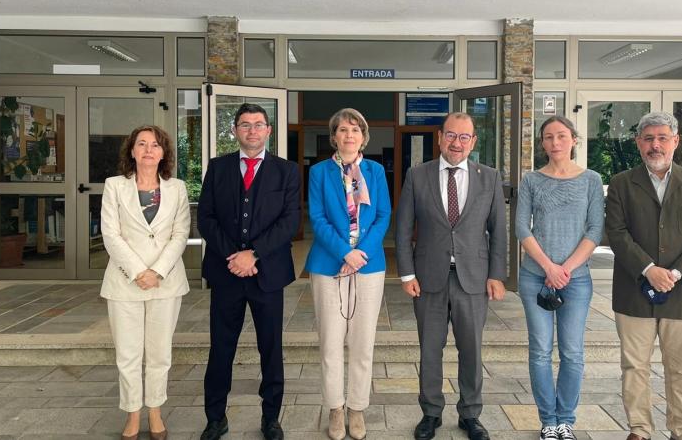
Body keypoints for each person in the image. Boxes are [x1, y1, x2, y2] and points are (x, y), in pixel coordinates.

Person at [605, 111, 682, 440]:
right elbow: (616, 232)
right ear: (639, 143)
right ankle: (639, 430)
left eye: (662, 138)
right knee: (634, 367)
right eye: (649, 138)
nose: (656, 145)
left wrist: (677, 272)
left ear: (675, 141)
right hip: (633, 291)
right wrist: (648, 269)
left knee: (681, 368)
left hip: (680, 293)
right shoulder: (622, 183)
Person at [395, 112, 506, 440]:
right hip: (428, 277)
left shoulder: (489, 177)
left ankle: (470, 414)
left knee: (471, 350)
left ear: (473, 141)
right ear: (440, 137)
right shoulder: (417, 175)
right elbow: (402, 230)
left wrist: (497, 275)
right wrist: (406, 274)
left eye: (464, 137)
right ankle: (430, 413)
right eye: (451, 135)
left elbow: (498, 230)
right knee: (430, 348)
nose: (457, 143)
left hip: (473, 277)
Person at [197, 103, 301, 440]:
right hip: (227, 272)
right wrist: (234, 255)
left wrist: (253, 253)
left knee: (270, 348)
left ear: (269, 130)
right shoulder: (218, 168)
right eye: (245, 124)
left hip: (268, 274)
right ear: (234, 131)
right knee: (221, 347)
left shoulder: (286, 171)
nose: (252, 130)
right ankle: (216, 418)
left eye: (258, 124)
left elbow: (290, 222)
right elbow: (206, 217)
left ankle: (271, 417)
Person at [304, 108, 391, 440]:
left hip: (369, 265)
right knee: (330, 343)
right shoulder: (319, 172)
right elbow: (317, 218)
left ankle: (356, 409)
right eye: (343, 130)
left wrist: (359, 255)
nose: (349, 135)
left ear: (363, 136)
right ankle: (335, 409)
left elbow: (383, 214)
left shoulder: (376, 171)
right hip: (329, 265)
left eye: (355, 129)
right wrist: (344, 252)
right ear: (334, 137)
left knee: (362, 343)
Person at [515, 116, 604, 440]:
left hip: (576, 281)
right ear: (542, 143)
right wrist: (549, 268)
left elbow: (595, 229)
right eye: (549, 137)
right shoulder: (531, 180)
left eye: (562, 136)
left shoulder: (591, 180)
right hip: (535, 277)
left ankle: (566, 419)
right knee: (539, 350)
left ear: (574, 140)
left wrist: (565, 269)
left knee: (572, 352)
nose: (555, 142)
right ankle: (548, 421)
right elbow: (522, 228)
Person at [100, 124, 191, 440]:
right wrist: (138, 271)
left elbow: (181, 234)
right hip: (125, 282)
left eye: (155, 145)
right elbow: (110, 233)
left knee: (159, 353)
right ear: (132, 150)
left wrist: (158, 272)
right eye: (142, 144)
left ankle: (155, 411)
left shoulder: (177, 188)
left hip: (165, 282)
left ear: (163, 152)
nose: (149, 149)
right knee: (127, 354)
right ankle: (132, 414)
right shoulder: (114, 186)